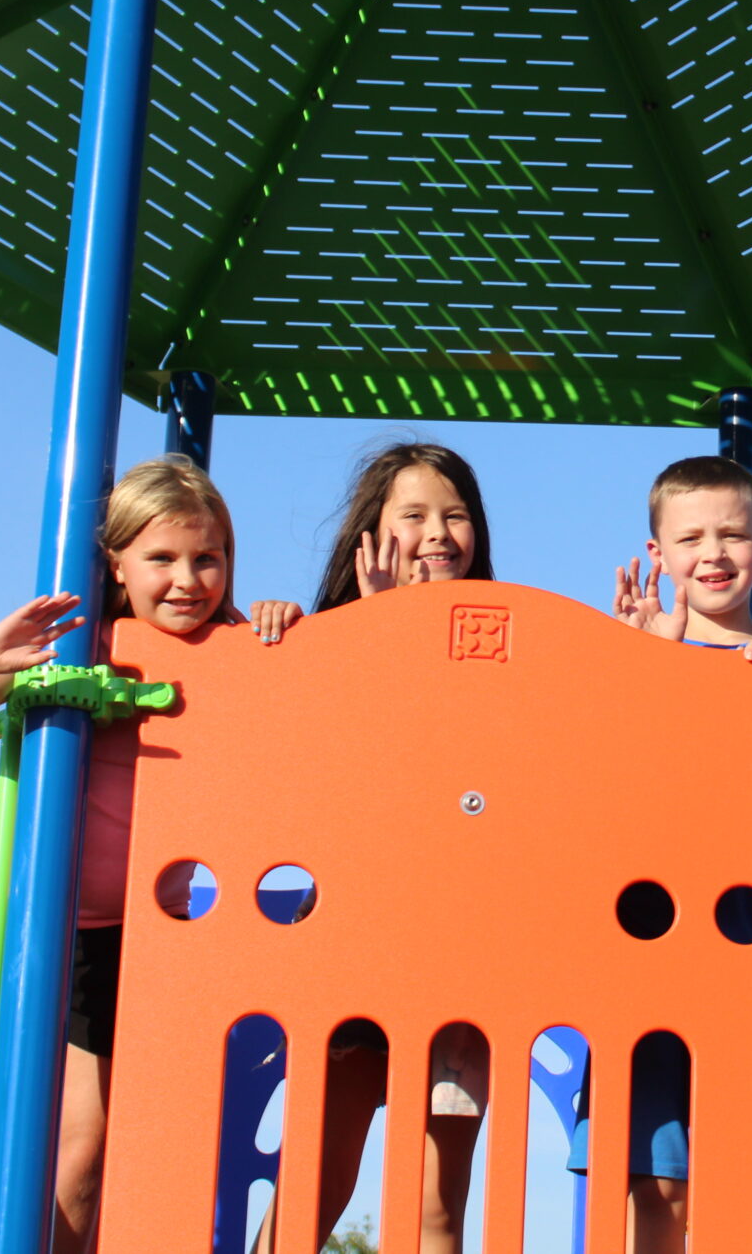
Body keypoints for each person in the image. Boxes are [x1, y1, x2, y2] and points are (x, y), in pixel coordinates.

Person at [0, 455, 299, 1254]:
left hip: (132, 928)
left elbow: (311, 710)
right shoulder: (76, 639)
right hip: (7, 908)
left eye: (208, 557)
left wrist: (282, 626)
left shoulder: (232, 655)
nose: (188, 579)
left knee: (80, 1162)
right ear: (117, 564)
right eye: (161, 558)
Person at [588, 455, 752, 1251]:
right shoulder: (632, 659)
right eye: (691, 536)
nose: (714, 552)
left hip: (747, 956)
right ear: (658, 551)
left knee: (742, 1184)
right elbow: (600, 811)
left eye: (733, 533)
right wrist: (647, 675)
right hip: (648, 956)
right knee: (657, 1182)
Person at [301, 441, 497, 1254]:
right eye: (412, 515)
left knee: (432, 1208)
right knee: (317, 1185)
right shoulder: (330, 639)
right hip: (352, 946)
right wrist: (378, 624)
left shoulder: (507, 643)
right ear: (372, 534)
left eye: (455, 514)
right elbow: (324, 758)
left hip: (462, 955)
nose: (437, 533)